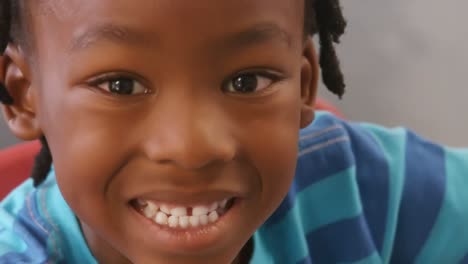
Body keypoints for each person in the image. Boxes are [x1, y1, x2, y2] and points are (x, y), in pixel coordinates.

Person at [0, 0, 467, 263]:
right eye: (120, 85)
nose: (192, 149)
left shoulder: (359, 187)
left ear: (304, 85)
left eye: (247, 81)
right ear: (24, 96)